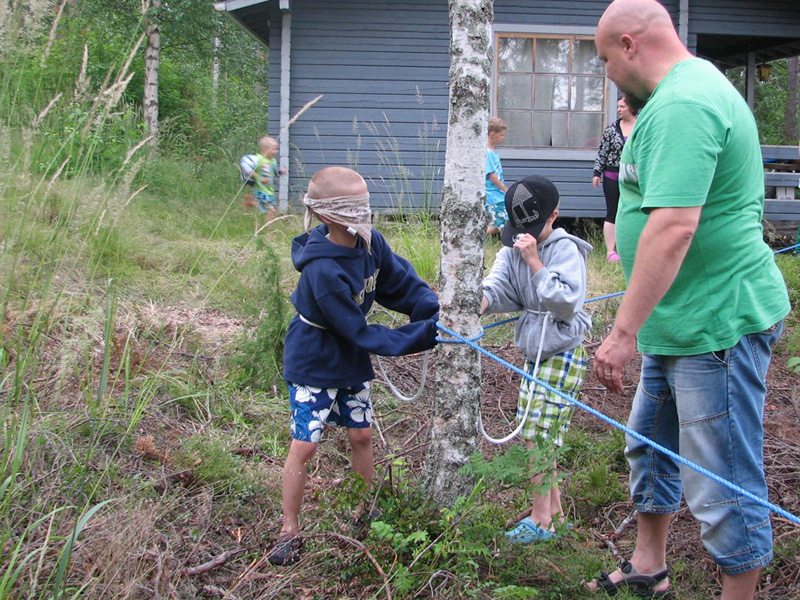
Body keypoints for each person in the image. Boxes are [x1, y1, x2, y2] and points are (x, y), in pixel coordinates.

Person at [589, 1, 791, 598]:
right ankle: (649, 568)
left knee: (721, 481)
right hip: (676, 321)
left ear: (629, 45)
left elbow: (674, 227)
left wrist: (621, 333)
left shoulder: (683, 103)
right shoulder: (680, 94)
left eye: (603, 60)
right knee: (650, 448)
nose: (606, 75)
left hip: (714, 325)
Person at [268, 166, 440, 566]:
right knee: (305, 443)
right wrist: (425, 335)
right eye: (354, 206)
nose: (365, 212)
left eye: (366, 203)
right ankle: (289, 529)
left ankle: (364, 511)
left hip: (349, 354)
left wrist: (432, 310)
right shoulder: (322, 270)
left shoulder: (370, 243)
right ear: (328, 214)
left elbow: (401, 284)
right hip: (315, 355)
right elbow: (360, 333)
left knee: (361, 435)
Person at [481, 175, 592, 542]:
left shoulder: (565, 250)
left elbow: (565, 303)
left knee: (538, 436)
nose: (522, 238)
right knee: (534, 429)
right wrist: (477, 304)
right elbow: (499, 287)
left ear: (554, 216)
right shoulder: (511, 249)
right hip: (534, 351)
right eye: (518, 229)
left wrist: (535, 262)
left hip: (561, 349)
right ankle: (555, 515)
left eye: (531, 229)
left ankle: (541, 519)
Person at [592, 94, 640, 262]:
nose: (619, 110)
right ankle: (611, 252)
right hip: (612, 175)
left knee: (632, 211)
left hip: (635, 177)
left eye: (622, 107)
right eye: (618, 107)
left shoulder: (642, 127)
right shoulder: (612, 129)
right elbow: (602, 152)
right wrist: (597, 173)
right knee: (613, 211)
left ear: (632, 108)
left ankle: (629, 248)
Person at [243, 136, 281, 219]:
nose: (276, 151)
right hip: (260, 190)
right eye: (274, 149)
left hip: (269, 190)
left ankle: (251, 202)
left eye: (277, 149)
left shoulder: (273, 161)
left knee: (266, 209)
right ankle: (269, 230)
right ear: (265, 149)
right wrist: (256, 176)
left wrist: (281, 172)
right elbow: (245, 165)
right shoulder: (258, 159)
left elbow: (274, 171)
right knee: (271, 210)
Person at [486, 117, 510, 236]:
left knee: (499, 223)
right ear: (492, 134)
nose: (503, 138)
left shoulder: (493, 152)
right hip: (493, 195)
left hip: (498, 195)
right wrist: (506, 190)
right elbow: (492, 176)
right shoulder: (487, 153)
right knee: (503, 222)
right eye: (501, 135)